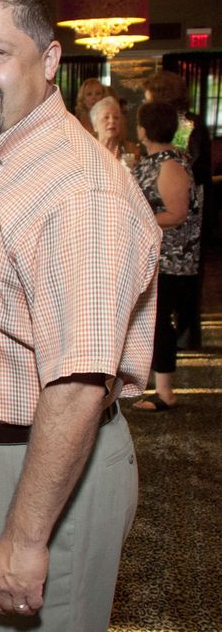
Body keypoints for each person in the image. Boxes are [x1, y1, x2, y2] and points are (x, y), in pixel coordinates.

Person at [0, 0, 160, 631]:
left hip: (34, 470)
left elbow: (79, 384)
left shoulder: (77, 190)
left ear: (49, 60)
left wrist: (26, 538)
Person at [132, 101, 202, 411]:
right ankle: (146, 381)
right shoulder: (155, 160)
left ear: (143, 130)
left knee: (159, 322)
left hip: (170, 259)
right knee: (148, 320)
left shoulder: (171, 164)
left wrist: (134, 221)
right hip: (154, 256)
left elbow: (176, 214)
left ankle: (165, 393)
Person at [144, 70, 211, 349]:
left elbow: (190, 165)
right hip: (183, 201)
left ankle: (184, 334)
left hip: (187, 202)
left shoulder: (185, 124)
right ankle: (181, 334)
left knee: (184, 276)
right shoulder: (183, 122)